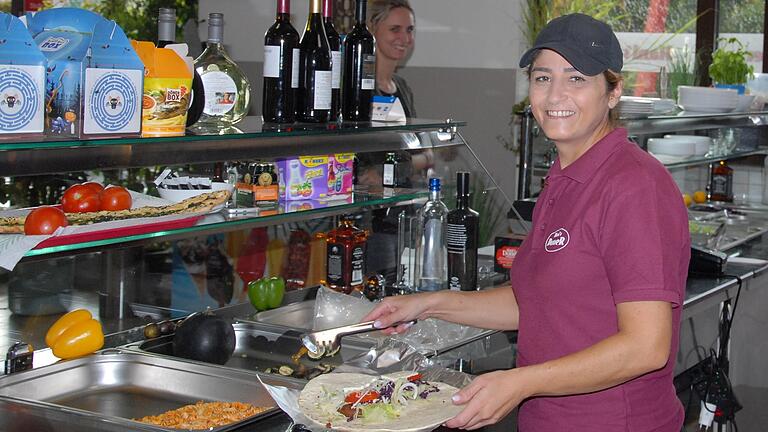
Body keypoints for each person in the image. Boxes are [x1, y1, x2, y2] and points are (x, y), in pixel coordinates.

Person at [362, 13, 691, 431]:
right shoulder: (564, 176)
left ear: (613, 92)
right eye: (542, 78)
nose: (556, 95)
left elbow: (646, 347)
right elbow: (537, 303)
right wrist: (429, 304)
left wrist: (518, 383)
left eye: (576, 79)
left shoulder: (633, 185)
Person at [369, 0, 417, 118]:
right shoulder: (358, 86)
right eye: (395, 29)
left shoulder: (403, 87)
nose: (405, 38)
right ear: (373, 29)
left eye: (409, 30)